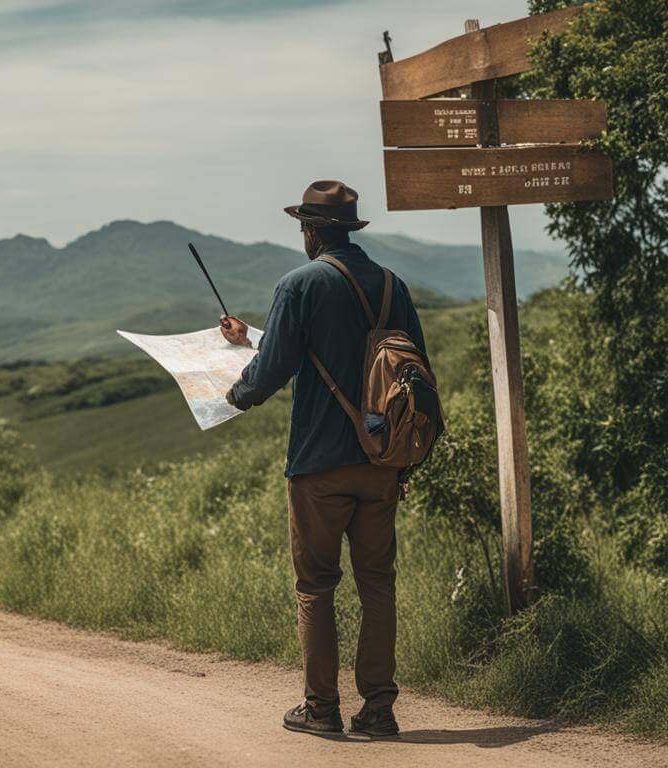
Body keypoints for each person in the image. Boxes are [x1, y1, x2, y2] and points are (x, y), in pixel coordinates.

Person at [220, 180, 427, 738]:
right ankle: (379, 710)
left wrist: (232, 392)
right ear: (349, 228)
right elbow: (416, 375)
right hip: (382, 460)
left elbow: (272, 373)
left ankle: (321, 708)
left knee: (316, 585)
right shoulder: (392, 285)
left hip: (318, 465)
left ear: (311, 230)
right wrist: (249, 340)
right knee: (376, 583)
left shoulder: (298, 284)